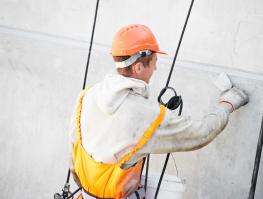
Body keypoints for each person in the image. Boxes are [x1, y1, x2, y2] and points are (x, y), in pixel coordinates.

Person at [69, 24, 249, 199]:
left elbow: (74, 155)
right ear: (138, 67)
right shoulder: (147, 116)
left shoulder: (86, 96)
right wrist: (227, 104)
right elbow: (201, 133)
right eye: (154, 62)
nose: (155, 68)